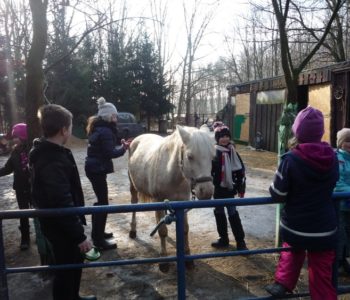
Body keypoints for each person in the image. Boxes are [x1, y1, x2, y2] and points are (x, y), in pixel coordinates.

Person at [265, 106, 339, 299]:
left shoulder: (290, 159)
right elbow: (333, 182)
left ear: (297, 131)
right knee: (322, 271)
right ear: (320, 132)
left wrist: (272, 188)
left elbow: (278, 194)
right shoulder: (333, 156)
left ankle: (282, 283)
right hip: (325, 227)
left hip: (296, 226)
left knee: (291, 250)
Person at [29, 104, 95, 300]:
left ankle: (73, 296)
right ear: (64, 130)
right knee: (66, 269)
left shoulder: (51, 152)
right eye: (70, 126)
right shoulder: (51, 159)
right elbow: (60, 201)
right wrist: (79, 236)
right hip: (61, 226)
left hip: (61, 223)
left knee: (73, 263)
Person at [85, 97, 129, 250]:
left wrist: (120, 144)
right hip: (96, 169)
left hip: (94, 168)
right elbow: (110, 153)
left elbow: (106, 147)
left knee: (101, 202)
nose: (116, 118)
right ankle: (98, 240)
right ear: (108, 116)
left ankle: (98, 233)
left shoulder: (100, 128)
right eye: (114, 116)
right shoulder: (105, 131)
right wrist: (124, 149)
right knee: (102, 203)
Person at [210, 124, 248, 250]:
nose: (225, 139)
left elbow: (240, 171)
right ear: (217, 139)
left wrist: (240, 187)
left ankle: (240, 241)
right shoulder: (213, 153)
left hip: (230, 190)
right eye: (221, 137)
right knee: (219, 213)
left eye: (227, 136)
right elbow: (209, 171)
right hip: (218, 190)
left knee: (233, 214)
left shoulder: (233, 152)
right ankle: (223, 239)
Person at [0, 123, 31, 250]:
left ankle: (44, 239)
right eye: (14, 137)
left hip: (34, 187)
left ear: (24, 136)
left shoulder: (33, 150)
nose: (14, 139)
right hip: (20, 188)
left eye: (17, 136)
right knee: (23, 213)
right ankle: (25, 238)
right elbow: (7, 169)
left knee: (40, 213)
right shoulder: (15, 152)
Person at [334, 128, 350, 273]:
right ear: (340, 143)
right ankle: (338, 261)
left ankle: (345, 259)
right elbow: (337, 181)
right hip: (340, 202)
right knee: (340, 233)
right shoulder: (336, 158)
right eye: (347, 140)